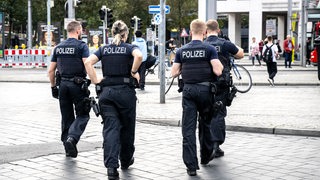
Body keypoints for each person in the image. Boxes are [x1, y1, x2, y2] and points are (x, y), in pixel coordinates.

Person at [84, 20, 142, 180]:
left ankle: (111, 168)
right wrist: (133, 71)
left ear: (111, 33)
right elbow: (139, 56)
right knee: (127, 128)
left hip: (106, 94)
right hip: (125, 94)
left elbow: (88, 62)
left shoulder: (104, 49)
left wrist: (96, 81)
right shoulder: (130, 48)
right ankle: (125, 160)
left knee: (110, 129)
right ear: (125, 34)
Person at [171, 19, 223, 176]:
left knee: (188, 129)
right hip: (205, 91)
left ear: (191, 31)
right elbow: (218, 71)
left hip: (188, 92)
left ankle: (191, 166)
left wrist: (184, 69)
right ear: (205, 32)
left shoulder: (182, 50)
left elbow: (173, 72)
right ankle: (206, 156)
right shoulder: (209, 49)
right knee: (206, 123)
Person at [48, 21, 90, 158]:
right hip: (77, 85)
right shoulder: (82, 46)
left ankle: (67, 146)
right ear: (78, 31)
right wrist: (95, 81)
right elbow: (87, 64)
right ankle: (72, 138)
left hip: (63, 86)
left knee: (66, 117)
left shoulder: (58, 47)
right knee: (83, 114)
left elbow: (51, 70)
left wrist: (53, 87)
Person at [204, 19, 244, 160]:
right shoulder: (224, 43)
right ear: (219, 30)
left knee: (206, 113)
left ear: (206, 31)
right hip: (221, 84)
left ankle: (208, 145)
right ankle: (216, 144)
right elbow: (241, 54)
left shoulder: (203, 44)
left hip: (206, 85)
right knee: (219, 113)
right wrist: (230, 42)